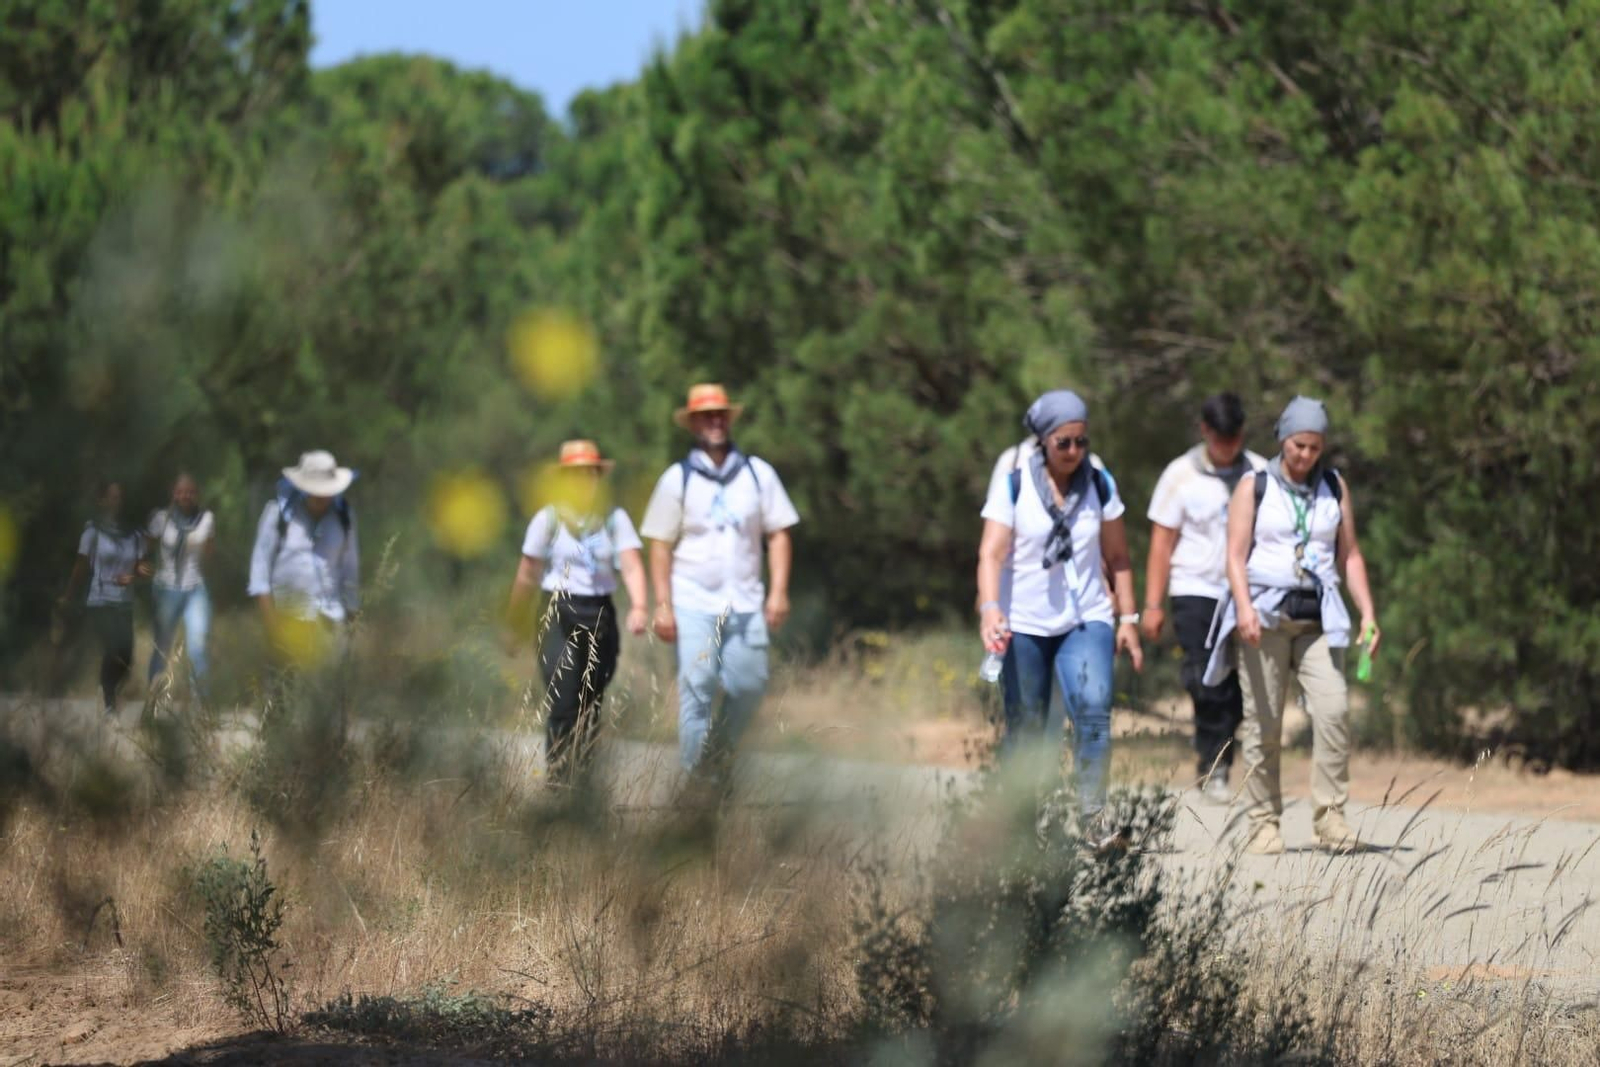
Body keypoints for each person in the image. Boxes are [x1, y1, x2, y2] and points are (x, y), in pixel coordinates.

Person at [1203, 396, 1380, 855]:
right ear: (1284, 439)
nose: (1305, 455)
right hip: (1265, 618)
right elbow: (1235, 556)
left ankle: (1331, 817)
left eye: (1314, 447)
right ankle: (1264, 821)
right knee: (1264, 723)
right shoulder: (1255, 486)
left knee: (1335, 709)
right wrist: (1243, 608)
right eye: (1299, 445)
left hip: (1318, 619)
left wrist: (1368, 612)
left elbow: (1351, 554)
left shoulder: (1334, 487)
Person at [975, 390, 1144, 849]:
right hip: (1023, 620)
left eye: (1081, 442)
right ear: (1043, 441)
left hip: (1085, 616)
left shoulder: (1099, 482)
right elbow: (990, 554)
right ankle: (1019, 823)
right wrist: (990, 609)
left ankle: (1094, 820)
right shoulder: (1014, 481)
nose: (1074, 452)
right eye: (1063, 443)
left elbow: (1119, 556)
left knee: (1093, 711)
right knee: (1026, 725)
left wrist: (1127, 617)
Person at [639, 383, 799, 782]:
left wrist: (778, 591)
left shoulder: (758, 475)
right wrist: (663, 604)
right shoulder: (677, 479)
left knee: (750, 686)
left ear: (729, 420)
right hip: (693, 599)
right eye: (706, 415)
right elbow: (660, 545)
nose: (715, 421)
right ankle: (700, 781)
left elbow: (778, 533)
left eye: (720, 414)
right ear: (693, 423)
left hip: (745, 601)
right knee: (698, 686)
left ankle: (717, 754)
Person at [1142, 394, 1268, 802]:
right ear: (1205, 432)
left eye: (1235, 438)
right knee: (1203, 678)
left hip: (1245, 593)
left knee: (1237, 684)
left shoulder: (1261, 472)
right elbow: (1162, 543)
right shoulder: (1180, 475)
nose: (1229, 447)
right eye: (1221, 439)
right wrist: (1153, 603)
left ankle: (1223, 761)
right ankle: (1212, 766)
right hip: (1195, 589)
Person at [506, 440, 649, 783]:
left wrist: (640, 607)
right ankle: (557, 781)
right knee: (563, 699)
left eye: (591, 473)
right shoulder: (548, 519)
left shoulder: (614, 519)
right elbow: (528, 572)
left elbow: (630, 566)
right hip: (557, 612)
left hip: (599, 611)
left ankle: (582, 784)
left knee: (591, 702)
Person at [247, 450, 360, 669]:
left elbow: (350, 569)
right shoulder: (277, 514)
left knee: (326, 693)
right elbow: (259, 570)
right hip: (288, 618)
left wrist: (352, 619)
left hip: (330, 619)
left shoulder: (344, 517)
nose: (321, 496)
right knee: (286, 691)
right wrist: (272, 623)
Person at [59, 480, 149, 716]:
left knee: (126, 656)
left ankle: (110, 690)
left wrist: (135, 575)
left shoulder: (134, 534)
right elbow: (80, 567)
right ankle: (108, 701)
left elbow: (140, 568)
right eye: (111, 496)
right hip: (100, 599)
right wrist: (68, 596)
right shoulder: (93, 532)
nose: (115, 501)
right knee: (112, 647)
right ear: (102, 501)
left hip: (124, 601)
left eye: (119, 497)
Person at [146, 472, 216, 703]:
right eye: (181, 491)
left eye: (190, 491)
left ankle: (201, 706)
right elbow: (147, 547)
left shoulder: (206, 519)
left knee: (197, 645)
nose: (185, 495)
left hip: (194, 587)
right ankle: (154, 701)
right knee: (162, 646)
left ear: (197, 494)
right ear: (173, 494)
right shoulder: (160, 519)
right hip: (166, 588)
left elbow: (210, 551)